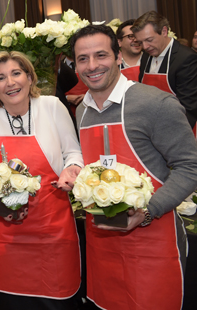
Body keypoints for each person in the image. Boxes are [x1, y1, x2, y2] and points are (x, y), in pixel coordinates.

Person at [71, 24, 197, 310]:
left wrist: (148, 210)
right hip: (102, 245)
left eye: (101, 55)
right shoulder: (82, 110)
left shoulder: (155, 103)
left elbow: (190, 166)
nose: (92, 66)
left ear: (118, 56)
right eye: (82, 58)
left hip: (153, 244)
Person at [0, 51, 82, 309]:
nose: (10, 82)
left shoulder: (52, 106)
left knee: (57, 299)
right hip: (7, 233)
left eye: (16, 73)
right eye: (0, 78)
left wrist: (72, 169)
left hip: (52, 226)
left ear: (30, 78)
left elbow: (73, 152)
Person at [132, 11, 197, 128]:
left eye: (149, 40)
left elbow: (189, 108)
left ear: (164, 31)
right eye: (141, 42)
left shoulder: (186, 58)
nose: (145, 47)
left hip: (178, 127)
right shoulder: (146, 56)